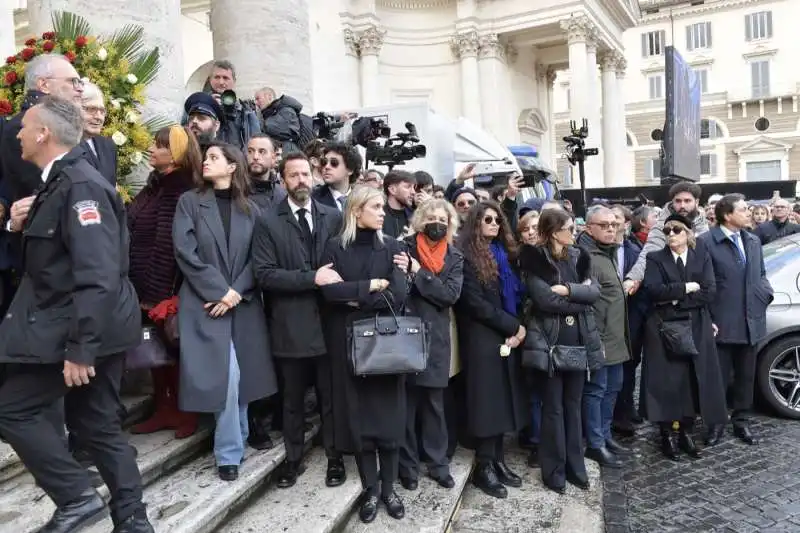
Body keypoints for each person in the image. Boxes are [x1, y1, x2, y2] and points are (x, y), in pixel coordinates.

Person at [0, 96, 152, 533]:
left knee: (13, 409)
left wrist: (81, 350)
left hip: (83, 329)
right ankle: (133, 520)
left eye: (25, 127)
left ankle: (75, 499)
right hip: (88, 325)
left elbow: (98, 274)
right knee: (96, 423)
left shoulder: (79, 185)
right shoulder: (60, 180)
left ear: (44, 133)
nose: (19, 134)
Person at [172, 142, 278, 481]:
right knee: (227, 376)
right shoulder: (190, 202)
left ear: (232, 166)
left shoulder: (251, 208)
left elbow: (259, 259)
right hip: (204, 304)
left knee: (240, 376)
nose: (206, 161)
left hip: (242, 304)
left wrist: (234, 294)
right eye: (206, 157)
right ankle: (229, 451)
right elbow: (185, 253)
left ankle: (238, 438)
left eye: (214, 157)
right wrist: (221, 292)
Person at [251, 152, 346, 489]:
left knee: (330, 398)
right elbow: (264, 274)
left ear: (315, 176)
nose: (301, 180)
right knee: (291, 401)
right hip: (290, 327)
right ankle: (293, 459)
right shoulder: (267, 221)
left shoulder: (334, 217)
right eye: (294, 175)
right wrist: (311, 279)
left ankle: (335, 456)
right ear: (282, 180)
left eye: (306, 173)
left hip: (330, 325)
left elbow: (344, 265)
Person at [319, 186, 408, 523]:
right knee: (359, 422)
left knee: (389, 419)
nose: (383, 212)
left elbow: (398, 293)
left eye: (383, 207)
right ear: (356, 210)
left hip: (386, 345)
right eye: (375, 206)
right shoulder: (335, 247)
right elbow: (329, 293)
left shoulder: (393, 246)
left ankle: (389, 488)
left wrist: (356, 297)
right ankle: (370, 489)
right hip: (350, 347)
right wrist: (372, 286)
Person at [518, 208, 604, 494]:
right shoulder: (533, 258)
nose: (574, 232)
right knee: (553, 408)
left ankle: (575, 467)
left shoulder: (581, 256)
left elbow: (595, 293)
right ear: (555, 231)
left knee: (573, 406)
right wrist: (580, 295)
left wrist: (567, 290)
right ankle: (554, 470)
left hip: (579, 341)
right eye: (569, 227)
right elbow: (544, 300)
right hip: (550, 344)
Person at [127, 125, 202, 439]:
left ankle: (186, 412)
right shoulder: (156, 183)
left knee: (173, 353)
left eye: (160, 146)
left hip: (162, 288)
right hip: (144, 285)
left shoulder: (178, 187)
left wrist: (159, 294)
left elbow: (167, 244)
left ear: (176, 153)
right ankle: (163, 408)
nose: (152, 150)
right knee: (154, 354)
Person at [455, 201, 528, 499]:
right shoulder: (466, 257)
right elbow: (474, 303)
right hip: (481, 337)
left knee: (501, 402)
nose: (495, 224)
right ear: (475, 223)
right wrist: (513, 327)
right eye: (487, 219)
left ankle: (497, 460)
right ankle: (484, 466)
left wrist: (515, 328)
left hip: (504, 335)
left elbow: (516, 295)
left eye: (498, 220)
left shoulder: (503, 255)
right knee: (487, 404)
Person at [641, 213, 728, 460]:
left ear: (688, 233)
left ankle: (686, 433)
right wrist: (687, 288)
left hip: (697, 324)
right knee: (667, 381)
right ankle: (667, 434)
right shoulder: (655, 257)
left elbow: (710, 291)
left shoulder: (701, 255)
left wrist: (675, 298)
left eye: (676, 230)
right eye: (667, 230)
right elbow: (653, 290)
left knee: (693, 378)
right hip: (663, 326)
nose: (671, 235)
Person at [397, 199, 463, 491]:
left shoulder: (455, 256)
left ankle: (438, 465)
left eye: (443, 218)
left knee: (435, 406)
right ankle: (408, 466)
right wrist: (414, 273)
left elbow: (450, 295)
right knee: (407, 405)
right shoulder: (404, 247)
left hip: (436, 338)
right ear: (421, 220)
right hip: (407, 334)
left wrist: (418, 272)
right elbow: (399, 287)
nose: (437, 223)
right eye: (432, 217)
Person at [700, 194, 773, 446]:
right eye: (742, 210)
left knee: (745, 376)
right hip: (721, 321)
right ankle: (715, 423)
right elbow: (702, 284)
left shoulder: (752, 239)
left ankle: (741, 420)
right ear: (727, 215)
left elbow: (761, 273)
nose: (748, 213)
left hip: (751, 318)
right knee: (718, 377)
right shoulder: (706, 242)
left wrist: (765, 295)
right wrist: (707, 317)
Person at [577, 205, 631, 468]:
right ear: (589, 228)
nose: (611, 229)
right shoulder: (586, 256)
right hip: (600, 339)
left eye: (614, 224)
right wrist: (595, 340)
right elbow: (587, 304)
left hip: (617, 338)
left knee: (612, 390)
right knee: (596, 391)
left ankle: (606, 435)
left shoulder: (608, 253)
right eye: (604, 225)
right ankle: (595, 444)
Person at [79, 81, 117, 185]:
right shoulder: (62, 145)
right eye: (91, 109)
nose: (98, 117)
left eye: (102, 111)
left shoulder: (108, 146)